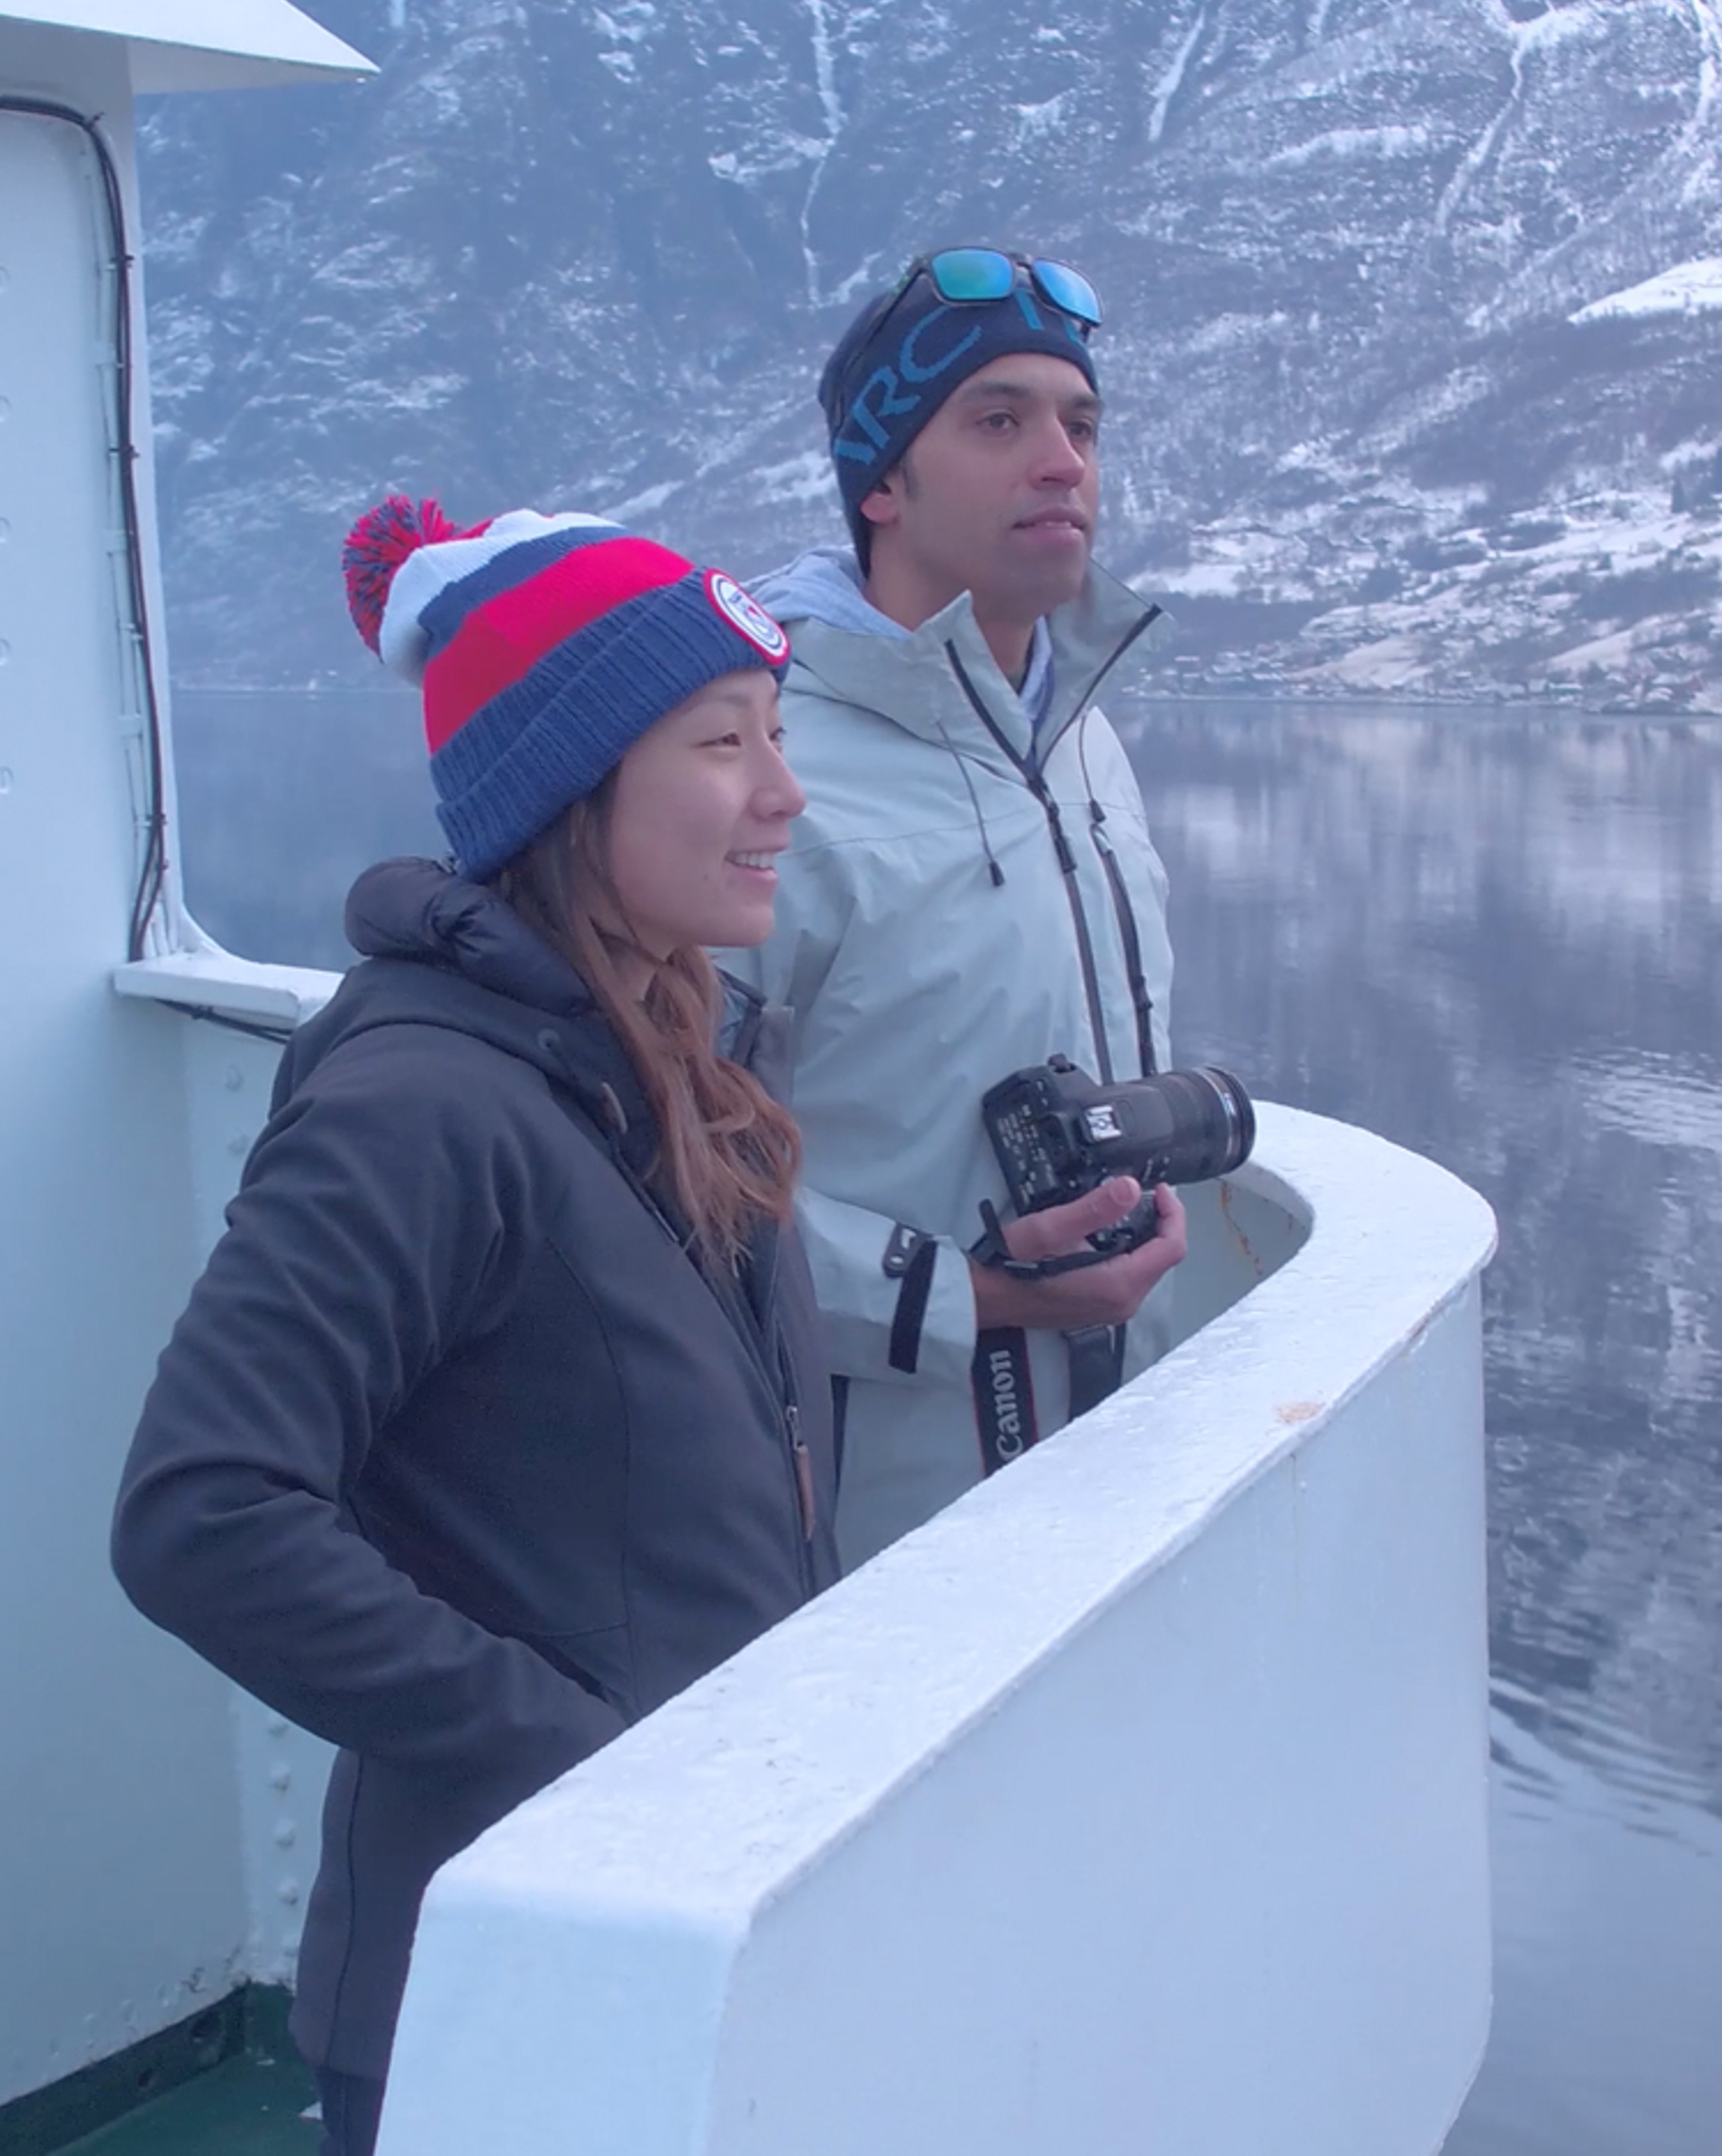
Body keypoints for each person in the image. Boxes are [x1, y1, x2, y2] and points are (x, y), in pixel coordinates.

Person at [111, 501, 838, 2156]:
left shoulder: (678, 1065)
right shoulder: (422, 1105)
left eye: (778, 736)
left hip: (680, 1930)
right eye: (725, 743)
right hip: (498, 1983)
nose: (785, 794)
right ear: (572, 793)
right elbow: (200, 1513)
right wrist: (587, 1763)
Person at [719, 245, 1188, 1572]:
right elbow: (656, 1174)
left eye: (1081, 424)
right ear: (882, 484)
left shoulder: (1084, 741)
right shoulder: (763, 766)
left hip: (1114, 1472)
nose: (1063, 460)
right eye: (1000, 421)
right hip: (874, 1529)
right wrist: (968, 1297)